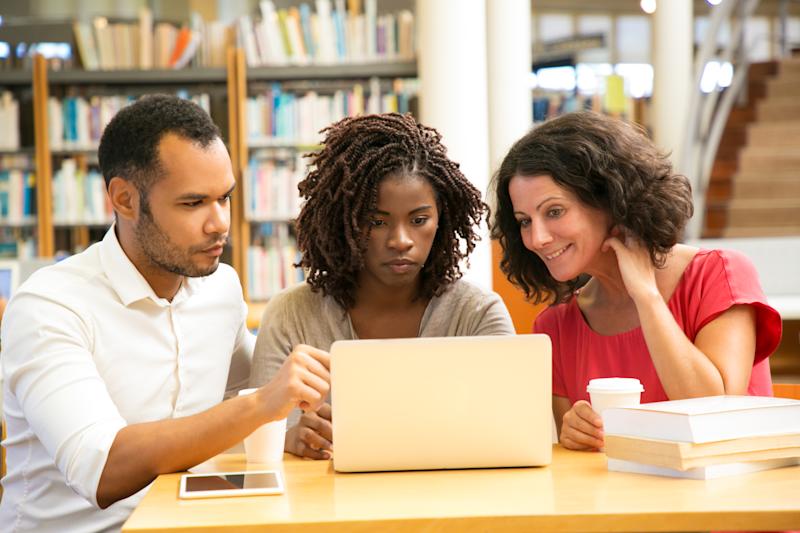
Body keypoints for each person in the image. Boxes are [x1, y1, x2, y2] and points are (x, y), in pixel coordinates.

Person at [0, 95, 331, 532]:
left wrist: (290, 425)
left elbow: (252, 388)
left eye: (224, 198)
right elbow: (102, 470)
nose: (220, 224)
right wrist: (263, 405)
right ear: (124, 199)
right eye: (193, 203)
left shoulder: (221, 288)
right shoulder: (50, 306)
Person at [490, 112, 782, 452]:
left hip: (727, 499)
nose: (537, 238)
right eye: (524, 221)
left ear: (610, 199)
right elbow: (588, 466)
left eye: (554, 211)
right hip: (624, 502)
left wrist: (646, 296)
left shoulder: (719, 275)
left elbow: (712, 415)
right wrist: (575, 435)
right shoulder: (556, 326)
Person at [249, 113, 515, 459]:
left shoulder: (478, 314)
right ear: (342, 220)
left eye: (419, 220)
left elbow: (512, 430)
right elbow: (257, 434)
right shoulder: (291, 315)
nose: (401, 240)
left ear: (442, 220)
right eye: (376, 221)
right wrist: (287, 441)